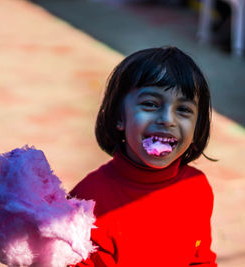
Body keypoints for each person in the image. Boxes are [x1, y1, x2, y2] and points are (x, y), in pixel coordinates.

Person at [70, 46, 217, 266]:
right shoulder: (87, 202)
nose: (167, 120)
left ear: (197, 127)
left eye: (183, 110)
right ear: (120, 116)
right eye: (150, 104)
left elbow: (200, 258)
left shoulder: (197, 188)